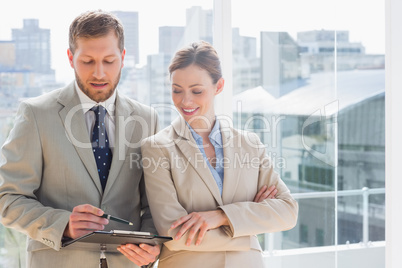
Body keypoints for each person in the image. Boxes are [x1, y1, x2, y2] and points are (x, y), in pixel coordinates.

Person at [0, 10, 160, 268]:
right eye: (87, 61)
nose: (99, 73)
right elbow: (8, 198)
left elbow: (154, 203)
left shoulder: (146, 118)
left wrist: (152, 243)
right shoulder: (36, 114)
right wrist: (63, 224)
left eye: (109, 61)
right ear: (70, 57)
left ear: (123, 57)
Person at [118, 41, 299, 267]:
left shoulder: (250, 144)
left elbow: (288, 211)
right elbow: (174, 232)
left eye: (197, 91)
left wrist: (222, 216)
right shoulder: (157, 147)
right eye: (177, 90)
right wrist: (248, 228)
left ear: (219, 86)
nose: (186, 101)